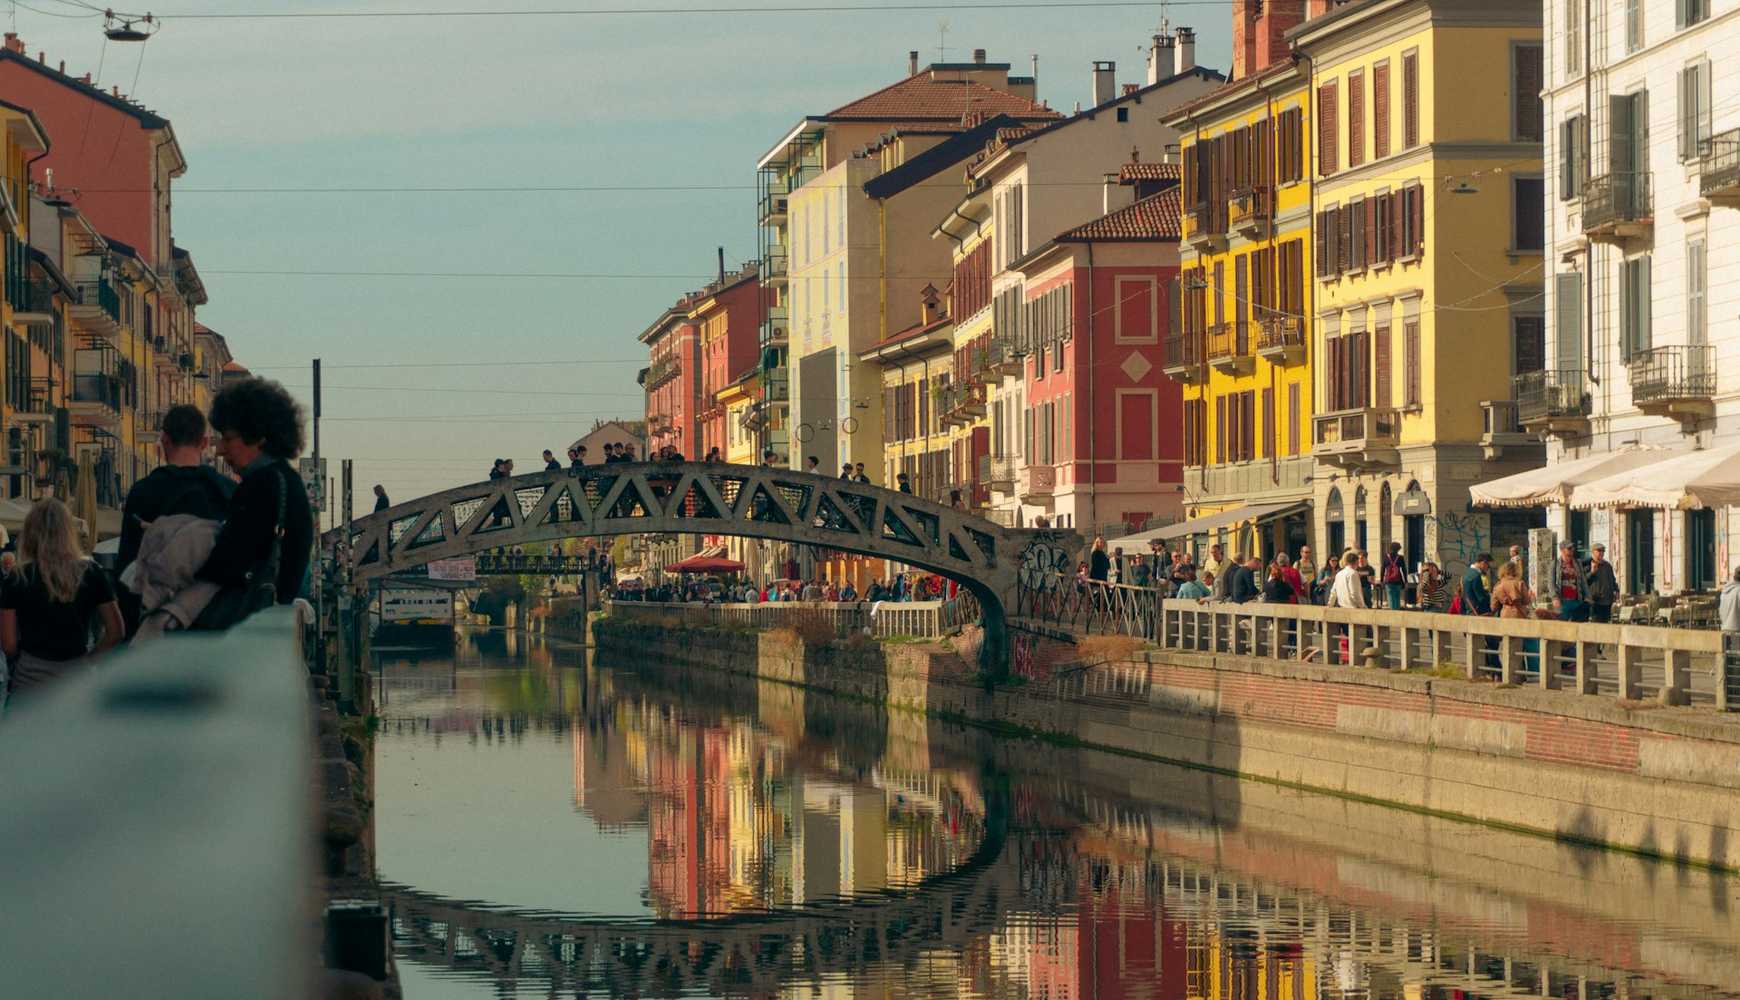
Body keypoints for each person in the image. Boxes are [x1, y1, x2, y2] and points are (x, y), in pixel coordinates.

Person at [196, 378, 316, 616]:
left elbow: (228, 562)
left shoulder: (262, 486)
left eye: (228, 439)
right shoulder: (286, 480)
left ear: (258, 437)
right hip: (270, 613)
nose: (220, 450)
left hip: (245, 614)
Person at [115, 405, 236, 634]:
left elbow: (129, 563)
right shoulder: (227, 492)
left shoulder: (143, 492)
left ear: (165, 441)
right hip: (213, 621)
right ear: (204, 442)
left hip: (156, 621)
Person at [0, 498, 123, 698]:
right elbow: (116, 631)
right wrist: (89, 661)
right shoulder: (91, 572)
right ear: (68, 532)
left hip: (30, 679)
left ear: (30, 533)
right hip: (77, 678)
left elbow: (8, 644)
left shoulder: (17, 577)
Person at [1551, 541, 1589, 622]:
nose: (1572, 550)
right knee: (1562, 625)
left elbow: (1583, 581)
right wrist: (1554, 597)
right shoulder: (1555, 563)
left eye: (1572, 548)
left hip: (1576, 600)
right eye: (1569, 548)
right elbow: (1551, 582)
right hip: (1562, 602)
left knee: (1577, 625)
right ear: (1562, 550)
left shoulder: (1577, 563)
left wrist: (1588, 596)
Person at [1586, 543, 1618, 623]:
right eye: (1599, 550)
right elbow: (1583, 581)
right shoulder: (1587, 564)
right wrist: (1592, 572)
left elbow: (1612, 580)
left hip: (1607, 601)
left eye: (1603, 551)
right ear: (1593, 551)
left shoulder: (1607, 565)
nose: (1601, 553)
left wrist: (1616, 590)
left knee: (1606, 624)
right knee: (1596, 624)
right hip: (1594, 601)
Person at [1381, 542, 1407, 610]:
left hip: (1388, 581)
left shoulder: (1386, 557)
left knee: (1391, 598)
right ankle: (1397, 611)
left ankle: (1393, 612)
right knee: (1397, 598)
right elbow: (1404, 570)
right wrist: (1405, 581)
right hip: (1398, 581)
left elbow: (1382, 569)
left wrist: (1382, 581)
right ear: (1398, 549)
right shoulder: (1400, 558)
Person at [1721, 567, 1740, 632]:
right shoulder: (1738, 590)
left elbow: (1721, 611)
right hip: (1737, 630)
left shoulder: (1725, 591)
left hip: (1725, 629)